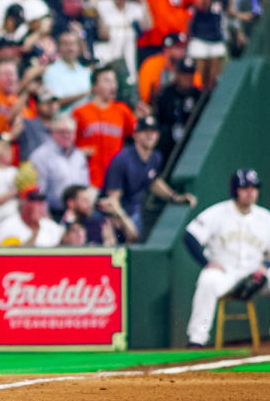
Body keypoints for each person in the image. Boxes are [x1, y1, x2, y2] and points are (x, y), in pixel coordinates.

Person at [183, 169, 270, 347]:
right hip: (225, 271)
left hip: (255, 271)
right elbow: (190, 235)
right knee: (207, 280)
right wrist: (206, 263)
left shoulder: (264, 217)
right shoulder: (218, 212)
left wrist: (265, 265)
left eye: (254, 187)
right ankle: (196, 339)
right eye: (245, 187)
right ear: (235, 190)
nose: (250, 191)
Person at [103, 116, 196, 238]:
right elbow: (112, 200)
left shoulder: (155, 157)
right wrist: (125, 221)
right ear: (135, 135)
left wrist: (175, 198)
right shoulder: (122, 160)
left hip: (136, 211)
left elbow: (154, 182)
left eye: (153, 132)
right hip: (113, 214)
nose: (150, 135)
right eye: (145, 132)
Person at [0, 189, 65, 247]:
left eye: (41, 201)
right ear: (23, 203)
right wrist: (34, 234)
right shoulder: (8, 225)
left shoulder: (51, 226)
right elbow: (5, 258)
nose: (39, 205)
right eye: (34, 200)